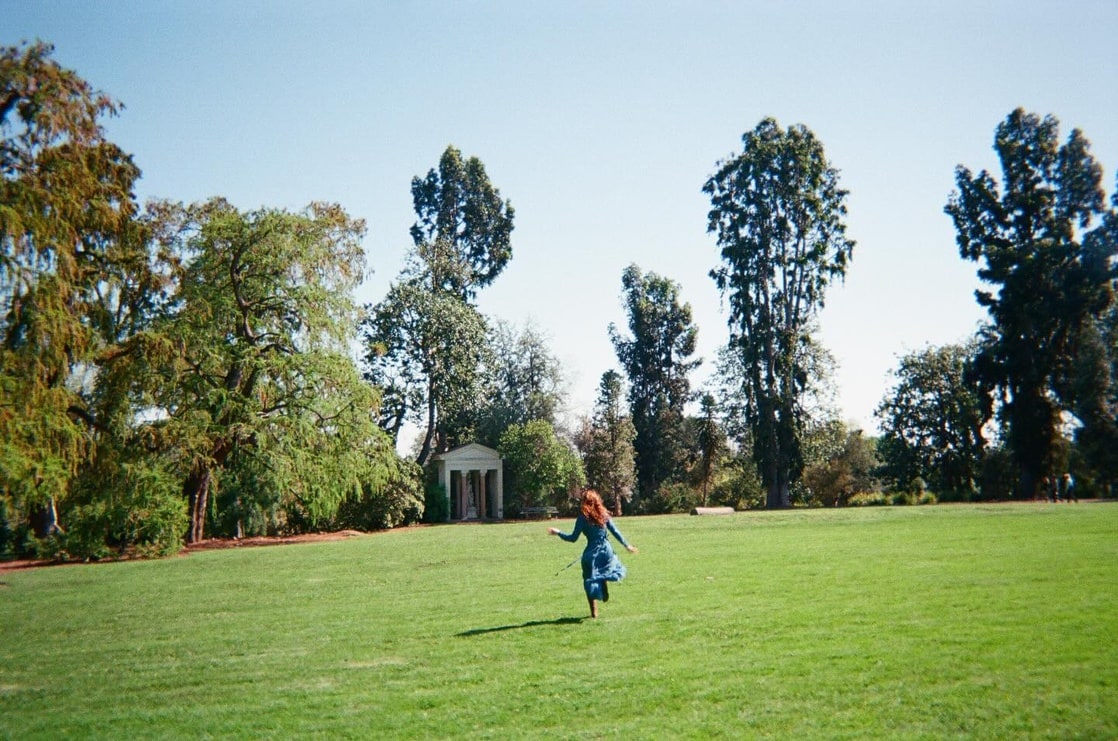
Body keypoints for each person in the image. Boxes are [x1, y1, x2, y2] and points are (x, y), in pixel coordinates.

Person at [548, 489, 637, 618]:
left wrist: (558, 532)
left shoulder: (582, 519)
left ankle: (594, 612)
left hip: (591, 553)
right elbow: (615, 531)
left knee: (588, 580)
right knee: (607, 569)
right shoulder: (604, 515)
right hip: (607, 551)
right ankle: (604, 584)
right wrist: (627, 545)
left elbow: (573, 538)